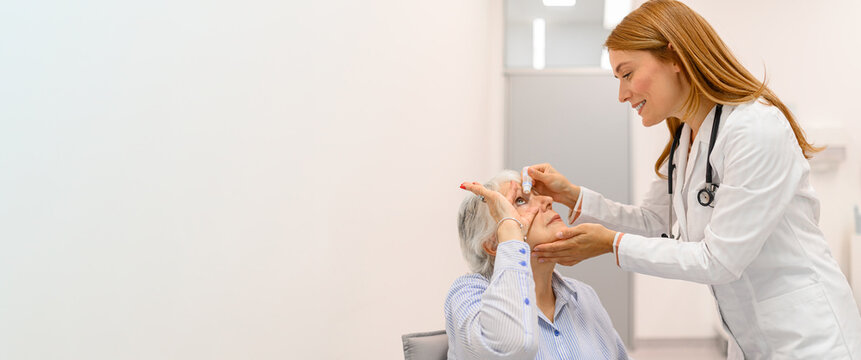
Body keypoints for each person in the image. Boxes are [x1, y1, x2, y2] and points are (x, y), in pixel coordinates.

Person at [524, 1, 861, 359]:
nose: (622, 95)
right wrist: (574, 196)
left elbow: (720, 260)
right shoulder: (685, 140)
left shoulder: (755, 129)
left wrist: (611, 244)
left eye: (627, 74)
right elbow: (652, 223)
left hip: (810, 340)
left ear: (675, 57)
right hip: (751, 342)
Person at [446, 170, 627, 360]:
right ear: (493, 243)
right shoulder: (466, 294)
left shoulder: (583, 295)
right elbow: (510, 348)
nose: (548, 200)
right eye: (520, 201)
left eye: (538, 195)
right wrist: (511, 232)